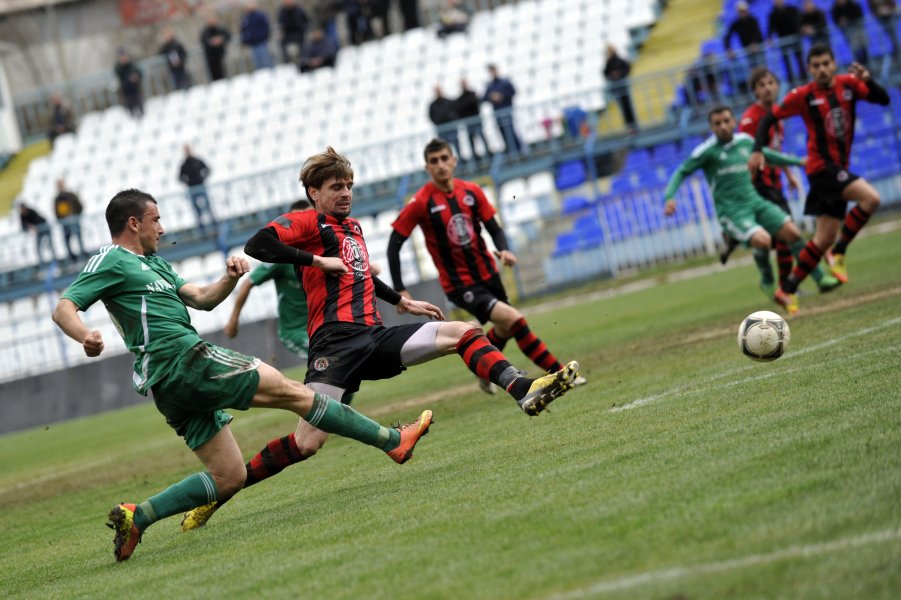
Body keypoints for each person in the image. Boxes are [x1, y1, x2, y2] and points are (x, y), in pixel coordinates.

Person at [180, 147, 578, 530]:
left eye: (349, 185)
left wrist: (402, 301)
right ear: (313, 193)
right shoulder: (305, 222)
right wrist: (316, 260)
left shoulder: (352, 228)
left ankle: (521, 387)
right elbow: (258, 245)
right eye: (336, 186)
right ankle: (220, 493)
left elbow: (361, 274)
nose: (346, 193)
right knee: (307, 443)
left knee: (463, 332)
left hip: (373, 336)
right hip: (334, 345)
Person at [51, 189, 434, 562]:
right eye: (156, 220)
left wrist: (229, 279)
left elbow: (201, 298)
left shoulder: (156, 264)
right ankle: (391, 441)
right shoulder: (111, 260)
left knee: (229, 476)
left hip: (171, 383)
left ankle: (140, 516)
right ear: (133, 223)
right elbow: (65, 307)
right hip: (184, 360)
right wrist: (84, 335)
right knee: (294, 393)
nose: (162, 229)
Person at [387, 138, 586, 392]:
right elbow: (394, 244)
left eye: (444, 159)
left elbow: (494, 228)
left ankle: (485, 372)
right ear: (427, 167)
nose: (440, 165)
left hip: (488, 274)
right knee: (515, 320)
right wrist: (400, 289)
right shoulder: (421, 202)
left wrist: (504, 250)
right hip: (459, 283)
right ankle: (559, 374)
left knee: (504, 326)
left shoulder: (471, 191)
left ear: (454, 161)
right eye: (434, 161)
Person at [748, 45, 890, 313]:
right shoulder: (802, 95)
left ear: (834, 64)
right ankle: (839, 253)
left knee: (822, 238)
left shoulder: (849, 85)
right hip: (821, 169)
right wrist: (756, 150)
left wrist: (868, 79)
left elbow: (883, 100)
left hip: (836, 168)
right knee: (871, 198)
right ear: (809, 69)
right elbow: (768, 119)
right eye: (816, 65)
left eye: (826, 63)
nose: (822, 69)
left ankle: (787, 289)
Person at [664, 106, 813, 313]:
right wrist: (669, 197)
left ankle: (818, 279)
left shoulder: (745, 142)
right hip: (732, 211)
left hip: (755, 202)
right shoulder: (706, 151)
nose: (723, 126)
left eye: (726, 121)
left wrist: (798, 162)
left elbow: (769, 155)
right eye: (717, 123)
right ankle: (768, 282)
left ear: (734, 121)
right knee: (763, 240)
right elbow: (681, 171)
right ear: (711, 127)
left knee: (793, 233)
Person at [731, 67, 840, 295]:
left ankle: (785, 284)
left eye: (771, 82)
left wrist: (788, 175)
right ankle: (815, 278)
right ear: (754, 91)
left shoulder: (777, 116)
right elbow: (749, 154)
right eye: (761, 85)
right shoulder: (751, 119)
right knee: (788, 232)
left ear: (777, 86)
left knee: (782, 237)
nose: (767, 88)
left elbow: (773, 150)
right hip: (758, 186)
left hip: (775, 183)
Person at [225, 199, 314, 362]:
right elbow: (247, 284)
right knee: (325, 357)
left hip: (322, 324)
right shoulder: (282, 256)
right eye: (297, 220)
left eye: (308, 218)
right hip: (295, 332)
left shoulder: (322, 249)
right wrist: (233, 320)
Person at [483, 64, 521, 155]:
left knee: (510, 130)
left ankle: (517, 149)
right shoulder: (490, 86)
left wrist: (502, 96)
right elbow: (484, 98)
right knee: (502, 131)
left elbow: (513, 92)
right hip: (497, 112)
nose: (493, 73)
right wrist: (491, 97)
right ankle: (510, 149)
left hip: (506, 110)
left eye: (493, 70)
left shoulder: (505, 82)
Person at [179, 145, 216, 234]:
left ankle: (214, 224)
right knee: (196, 209)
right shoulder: (184, 164)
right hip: (192, 188)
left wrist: (203, 178)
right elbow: (180, 177)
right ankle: (201, 228)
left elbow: (207, 169)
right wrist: (187, 182)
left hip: (200, 186)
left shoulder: (197, 161)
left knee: (207, 205)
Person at [767, 0, 805, 83]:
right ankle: (791, 81)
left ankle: (804, 77)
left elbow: (800, 20)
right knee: (786, 62)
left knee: (799, 59)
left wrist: (801, 29)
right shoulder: (772, 14)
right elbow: (770, 28)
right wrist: (769, 38)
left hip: (795, 38)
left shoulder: (792, 9)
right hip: (783, 40)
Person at [603, 44, 637, 131]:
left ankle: (633, 125)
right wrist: (612, 75)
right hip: (617, 88)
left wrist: (619, 74)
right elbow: (606, 73)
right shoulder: (609, 62)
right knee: (624, 108)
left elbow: (627, 69)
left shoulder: (618, 60)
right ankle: (630, 126)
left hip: (622, 86)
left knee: (627, 107)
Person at [455, 78, 490, 161]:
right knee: (471, 140)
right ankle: (475, 157)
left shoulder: (472, 94)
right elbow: (460, 108)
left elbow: (474, 104)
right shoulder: (462, 98)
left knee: (482, 136)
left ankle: (488, 153)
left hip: (476, 120)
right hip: (468, 122)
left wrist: (466, 105)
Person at [53, 179, 86, 263]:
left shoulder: (71, 195)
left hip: (74, 220)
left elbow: (79, 206)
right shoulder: (57, 199)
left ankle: (82, 256)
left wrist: (75, 215)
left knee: (78, 238)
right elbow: (56, 212)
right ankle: (72, 259)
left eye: (61, 184)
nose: (60, 187)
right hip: (65, 224)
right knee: (67, 240)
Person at [723, 1, 765, 68]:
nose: (742, 13)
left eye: (743, 10)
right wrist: (728, 49)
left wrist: (754, 43)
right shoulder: (736, 23)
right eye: (740, 11)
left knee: (763, 67)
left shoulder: (753, 20)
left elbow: (757, 32)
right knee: (753, 69)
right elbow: (727, 36)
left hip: (758, 48)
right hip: (747, 50)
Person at [19, 202, 58, 268]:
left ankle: (55, 261)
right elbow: (23, 226)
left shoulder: (31, 211)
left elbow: (39, 220)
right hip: (38, 231)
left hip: (44, 227)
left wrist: (33, 226)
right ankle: (42, 265)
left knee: (50, 245)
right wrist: (29, 226)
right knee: (38, 247)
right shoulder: (22, 215)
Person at [832, 0, 868, 65]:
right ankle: (858, 65)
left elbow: (859, 14)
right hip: (848, 33)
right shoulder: (835, 8)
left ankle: (867, 65)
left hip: (858, 29)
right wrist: (841, 22)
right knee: (854, 50)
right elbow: (835, 20)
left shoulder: (852, 4)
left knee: (863, 47)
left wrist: (848, 19)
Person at [241, 1, 274, 70]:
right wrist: (245, 40)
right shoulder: (246, 17)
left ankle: (271, 74)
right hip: (252, 43)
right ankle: (261, 77)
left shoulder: (260, 15)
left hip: (261, 41)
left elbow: (266, 27)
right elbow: (243, 30)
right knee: (256, 62)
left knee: (265, 59)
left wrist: (263, 36)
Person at [428, 85, 460, 155]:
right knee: (444, 148)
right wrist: (437, 122)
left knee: (456, 145)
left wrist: (452, 119)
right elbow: (431, 116)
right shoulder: (433, 105)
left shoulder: (448, 101)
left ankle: (460, 161)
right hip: (442, 129)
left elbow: (456, 111)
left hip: (451, 127)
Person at [200, 13, 232, 81]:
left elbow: (228, 35)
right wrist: (212, 42)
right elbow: (204, 40)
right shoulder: (205, 31)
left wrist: (221, 39)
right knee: (214, 76)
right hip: (211, 57)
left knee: (224, 73)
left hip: (220, 55)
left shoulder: (220, 28)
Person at [277, 0, 309, 66]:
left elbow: (306, 21)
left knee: (304, 46)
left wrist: (304, 29)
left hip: (298, 33)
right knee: (281, 44)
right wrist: (280, 32)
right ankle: (287, 64)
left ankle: (304, 62)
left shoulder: (299, 9)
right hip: (287, 34)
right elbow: (280, 24)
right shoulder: (282, 11)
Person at [114, 49, 143, 118]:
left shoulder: (132, 65)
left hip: (135, 89)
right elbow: (120, 76)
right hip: (126, 91)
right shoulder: (118, 67)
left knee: (140, 106)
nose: (123, 58)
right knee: (130, 109)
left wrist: (136, 77)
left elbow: (140, 73)